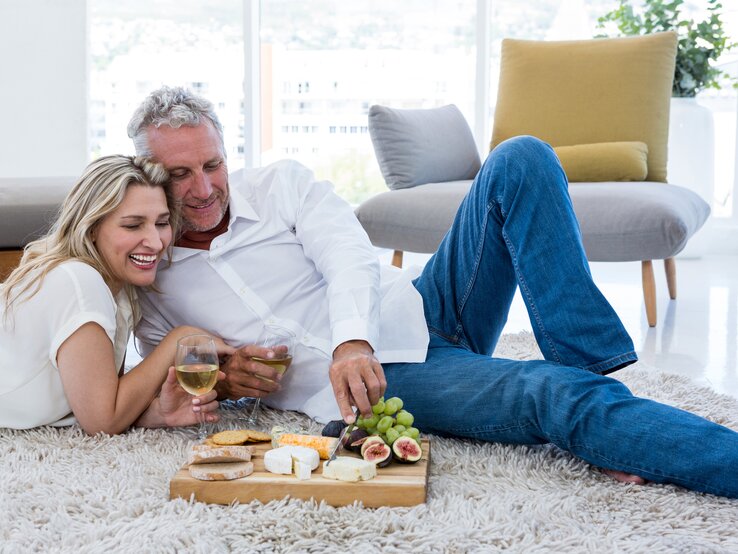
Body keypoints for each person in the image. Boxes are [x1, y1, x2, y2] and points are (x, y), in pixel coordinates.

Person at [128, 86, 738, 498]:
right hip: (387, 380)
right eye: (181, 175)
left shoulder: (280, 185)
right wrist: (227, 378)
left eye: (213, 164)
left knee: (520, 158)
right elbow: (171, 369)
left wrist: (352, 340)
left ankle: (592, 383)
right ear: (152, 176)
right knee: (554, 395)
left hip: (421, 305)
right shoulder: (151, 273)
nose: (205, 187)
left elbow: (347, 255)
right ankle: (598, 411)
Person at [0, 155, 234, 434]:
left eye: (161, 222)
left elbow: (105, 400)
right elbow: (102, 422)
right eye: (133, 225)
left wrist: (156, 413)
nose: (155, 241)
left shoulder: (121, 291)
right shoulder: (79, 280)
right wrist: (177, 340)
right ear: (92, 228)